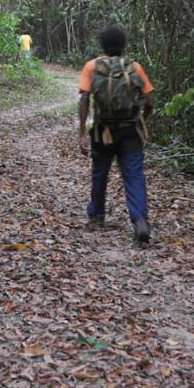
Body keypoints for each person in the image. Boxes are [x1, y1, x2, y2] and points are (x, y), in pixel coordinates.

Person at [78, 25, 154, 242]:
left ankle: (96, 216)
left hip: (103, 131)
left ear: (102, 46)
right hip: (130, 131)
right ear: (123, 45)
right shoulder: (134, 67)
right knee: (134, 175)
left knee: (100, 172)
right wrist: (141, 120)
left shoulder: (92, 67)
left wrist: (82, 132)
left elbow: (84, 99)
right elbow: (150, 101)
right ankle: (140, 220)